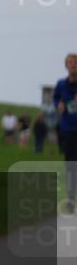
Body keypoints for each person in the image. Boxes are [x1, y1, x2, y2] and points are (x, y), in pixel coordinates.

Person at [52, 53, 77, 214]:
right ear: (66, 66)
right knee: (70, 165)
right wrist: (58, 105)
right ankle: (71, 200)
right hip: (68, 129)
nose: (73, 64)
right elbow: (56, 99)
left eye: (75, 62)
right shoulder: (61, 84)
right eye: (70, 62)